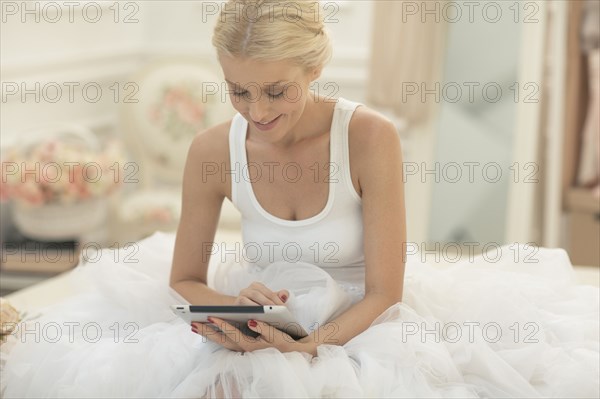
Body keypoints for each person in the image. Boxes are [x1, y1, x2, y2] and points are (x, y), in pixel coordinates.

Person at [1, 1, 598, 398]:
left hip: (364, 321)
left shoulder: (368, 138)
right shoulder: (213, 149)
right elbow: (185, 278)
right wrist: (233, 308)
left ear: (314, 69)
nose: (258, 112)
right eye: (239, 91)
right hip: (267, 315)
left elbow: (387, 291)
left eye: (276, 91)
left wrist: (315, 345)